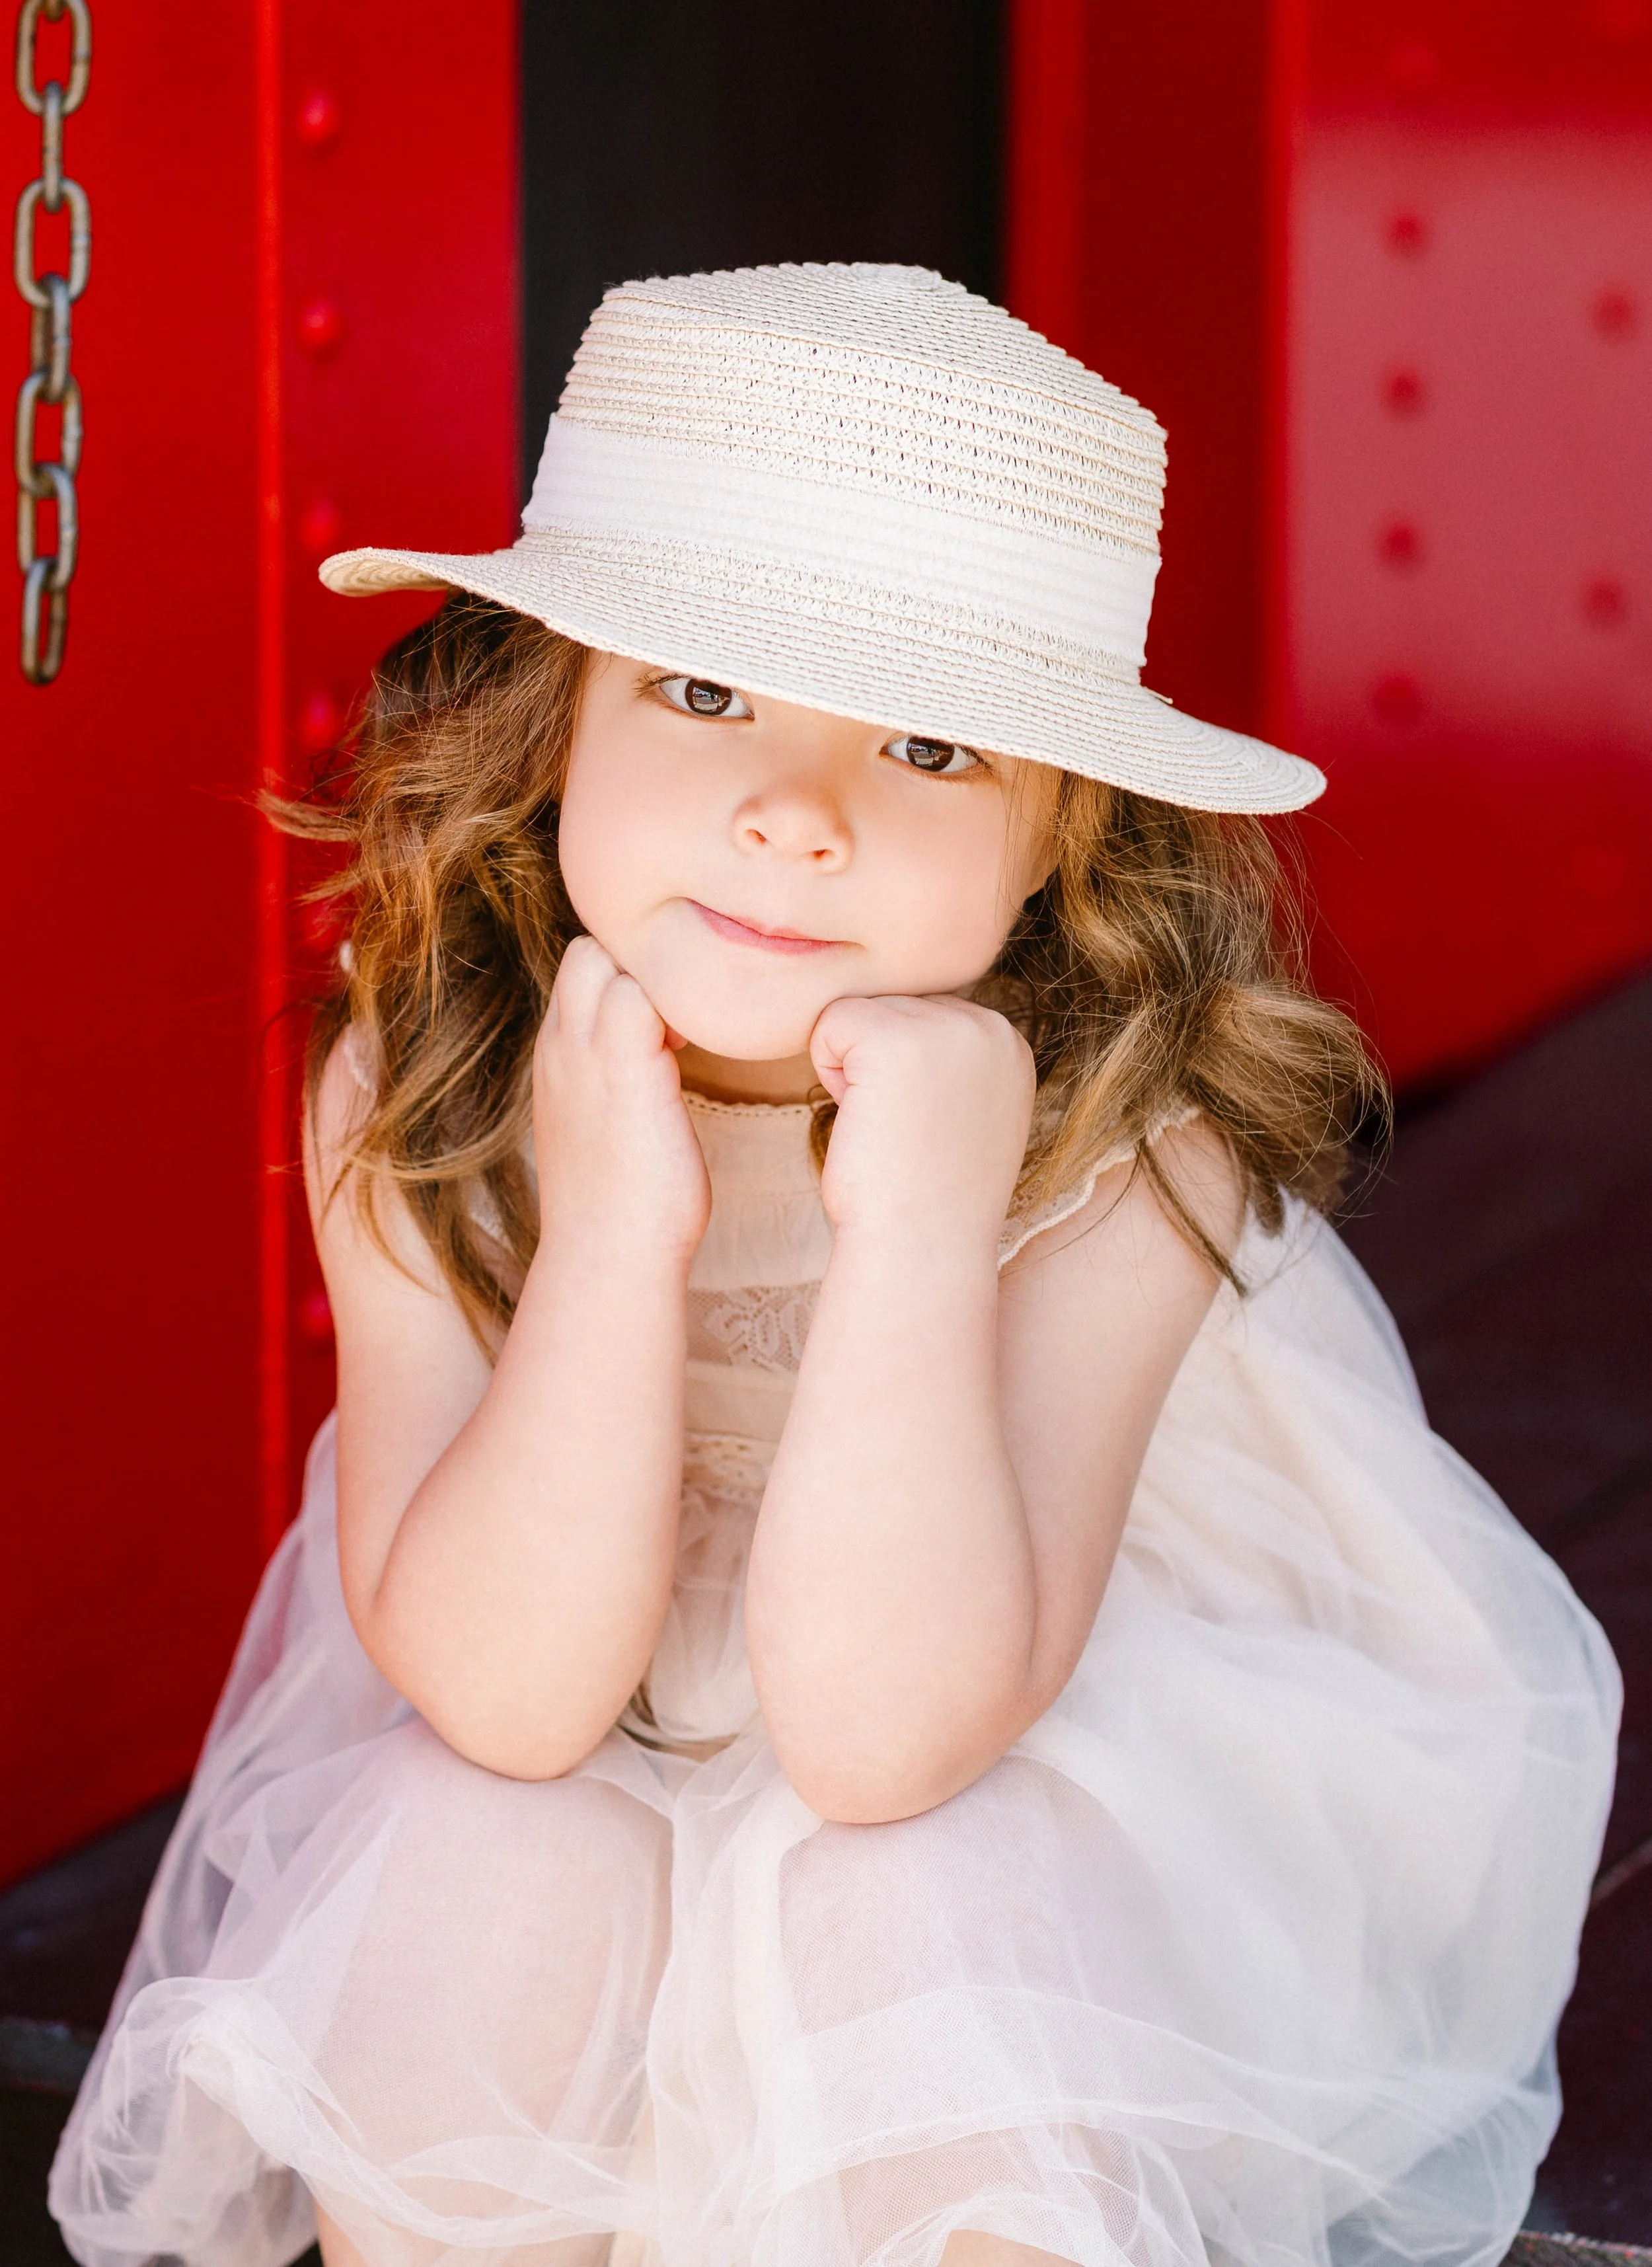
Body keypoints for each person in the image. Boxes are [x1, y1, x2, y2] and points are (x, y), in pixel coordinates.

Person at [52, 264, 1618, 2267]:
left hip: (1002, 1742)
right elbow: (511, 1699)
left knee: (917, 1908)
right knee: (469, 1855)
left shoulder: (1136, 1142)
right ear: (554, 724)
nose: (795, 814)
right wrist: (617, 1223)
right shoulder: (419, 1059)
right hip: (564, 1707)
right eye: (703, 691)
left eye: (935, 745)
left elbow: (895, 1742)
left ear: (1056, 839)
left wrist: (916, 1231)